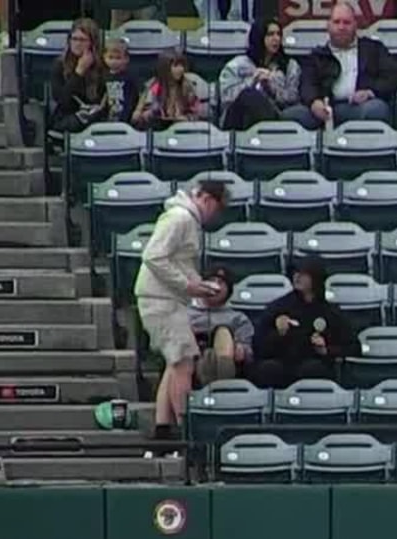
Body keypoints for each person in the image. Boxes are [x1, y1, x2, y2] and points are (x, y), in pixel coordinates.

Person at [134, 181, 228, 440]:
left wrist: (200, 286)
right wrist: (188, 286)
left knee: (174, 363)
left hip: (168, 299)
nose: (214, 216)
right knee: (184, 362)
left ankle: (163, 429)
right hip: (160, 299)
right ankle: (186, 430)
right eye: (216, 209)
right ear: (207, 200)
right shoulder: (179, 218)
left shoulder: (186, 220)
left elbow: (178, 262)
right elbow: (153, 257)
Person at [251, 260, 359, 389]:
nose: (297, 277)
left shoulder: (330, 312)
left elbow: (354, 347)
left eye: (303, 274)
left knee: (313, 369)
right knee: (268, 369)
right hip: (282, 364)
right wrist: (278, 334)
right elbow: (258, 345)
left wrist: (327, 350)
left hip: (312, 366)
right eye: (295, 273)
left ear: (316, 278)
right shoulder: (279, 307)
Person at [299, 0, 397, 127]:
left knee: (376, 109)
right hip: (327, 108)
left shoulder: (374, 49)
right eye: (336, 22)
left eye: (347, 22)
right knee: (293, 115)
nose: (341, 27)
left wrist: (370, 92)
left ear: (355, 25)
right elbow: (307, 84)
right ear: (328, 26)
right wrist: (314, 102)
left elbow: (392, 78)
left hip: (360, 107)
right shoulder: (317, 55)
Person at [219, 19, 309, 131]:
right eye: (270, 34)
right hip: (238, 120)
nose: (276, 38)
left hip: (275, 113)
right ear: (258, 37)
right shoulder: (237, 65)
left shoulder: (290, 66)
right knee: (249, 95)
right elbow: (226, 97)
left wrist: (272, 89)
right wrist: (252, 81)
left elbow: (293, 97)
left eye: (279, 34)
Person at [188, 266, 255, 385]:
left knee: (222, 332)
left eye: (220, 283)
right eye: (211, 281)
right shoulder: (186, 313)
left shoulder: (238, 318)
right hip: (192, 359)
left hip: (228, 361)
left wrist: (242, 350)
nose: (215, 286)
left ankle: (222, 386)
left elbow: (248, 350)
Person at [49, 19, 106, 135]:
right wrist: (79, 72)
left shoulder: (102, 66)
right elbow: (62, 101)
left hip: (95, 118)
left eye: (82, 40)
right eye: (74, 39)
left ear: (92, 43)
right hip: (68, 118)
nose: (77, 43)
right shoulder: (59, 65)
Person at [131, 49, 206, 131]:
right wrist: (146, 114)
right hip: (158, 129)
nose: (180, 69)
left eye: (182, 66)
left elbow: (198, 113)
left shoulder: (188, 87)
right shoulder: (154, 87)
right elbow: (141, 115)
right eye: (175, 66)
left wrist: (186, 118)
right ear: (165, 68)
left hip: (183, 129)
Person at [97, 39, 141, 127]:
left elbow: (143, 92)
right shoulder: (104, 76)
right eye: (110, 57)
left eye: (118, 58)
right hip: (110, 116)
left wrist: (138, 110)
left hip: (128, 116)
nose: (114, 62)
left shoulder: (131, 76)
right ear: (104, 57)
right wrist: (100, 107)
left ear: (126, 59)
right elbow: (106, 93)